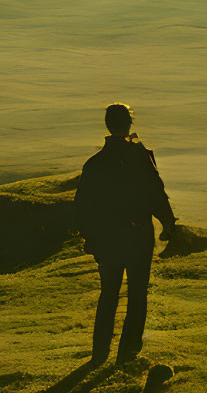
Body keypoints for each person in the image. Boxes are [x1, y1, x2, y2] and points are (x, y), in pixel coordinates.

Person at [74, 103, 178, 362]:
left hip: (108, 239)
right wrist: (168, 222)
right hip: (138, 236)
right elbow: (156, 193)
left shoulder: (95, 163)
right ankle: (128, 351)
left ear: (108, 125)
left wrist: (91, 239)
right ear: (129, 124)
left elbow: (82, 206)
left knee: (108, 294)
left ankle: (100, 353)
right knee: (137, 295)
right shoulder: (141, 157)